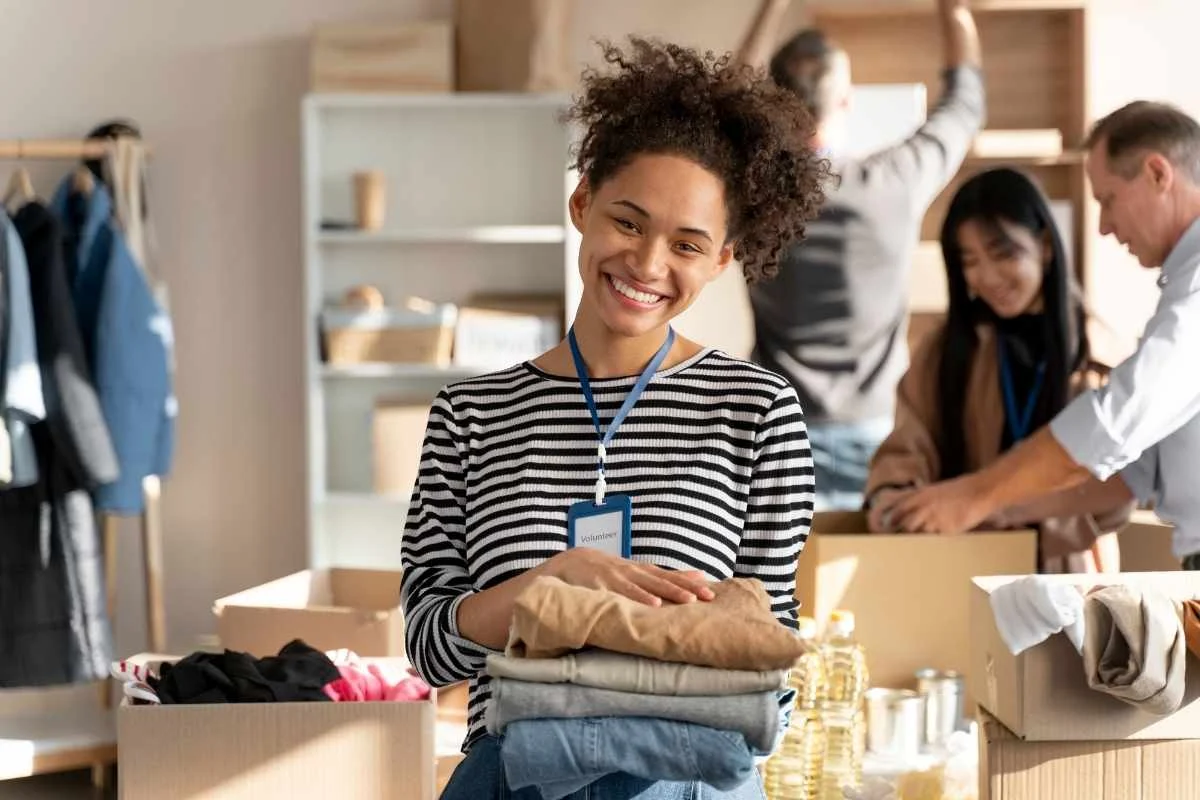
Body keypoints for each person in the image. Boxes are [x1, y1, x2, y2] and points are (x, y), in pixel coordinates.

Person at [402, 37, 825, 799]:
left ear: (722, 260)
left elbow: (773, 657)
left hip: (688, 783)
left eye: (687, 244)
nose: (648, 264)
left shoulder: (758, 411)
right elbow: (428, 647)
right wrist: (547, 589)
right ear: (582, 203)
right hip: (510, 781)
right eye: (628, 222)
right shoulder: (469, 414)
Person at [887, 101, 1200, 570]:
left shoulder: (1136, 323)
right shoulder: (946, 349)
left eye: (1108, 199)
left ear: (1158, 174)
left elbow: (1113, 427)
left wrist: (976, 496)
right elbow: (1140, 470)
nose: (1104, 226)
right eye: (970, 261)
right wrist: (985, 507)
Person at [735, 0, 985, 511]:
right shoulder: (894, 181)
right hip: (875, 434)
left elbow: (724, 102)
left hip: (773, 429)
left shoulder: (754, 188)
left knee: (776, 585)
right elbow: (965, 104)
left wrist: (771, 6)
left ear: (774, 103)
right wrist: (953, 11)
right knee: (870, 583)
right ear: (846, 101)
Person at [864, 167, 1132, 572]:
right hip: (963, 567)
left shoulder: (1099, 355)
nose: (987, 277)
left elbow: (1117, 492)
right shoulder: (948, 348)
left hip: (1070, 578)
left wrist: (995, 505)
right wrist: (895, 499)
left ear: (1044, 244)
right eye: (969, 261)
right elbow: (908, 444)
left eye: (1003, 253)